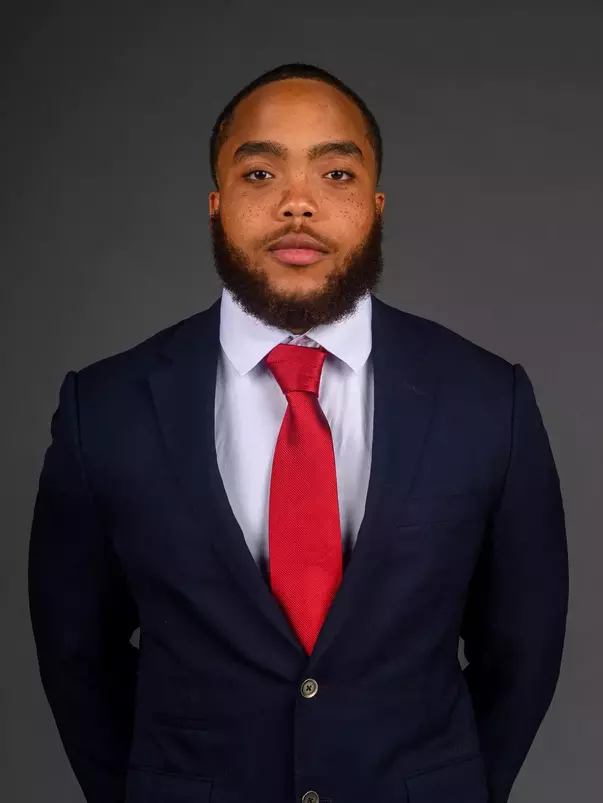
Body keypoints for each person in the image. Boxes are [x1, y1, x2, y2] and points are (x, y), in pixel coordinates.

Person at [28, 62, 569, 803]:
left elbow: (523, 650)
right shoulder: (107, 406)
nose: (297, 204)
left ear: (375, 205)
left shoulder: (486, 398)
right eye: (258, 173)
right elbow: (76, 653)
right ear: (215, 203)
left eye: (336, 174)